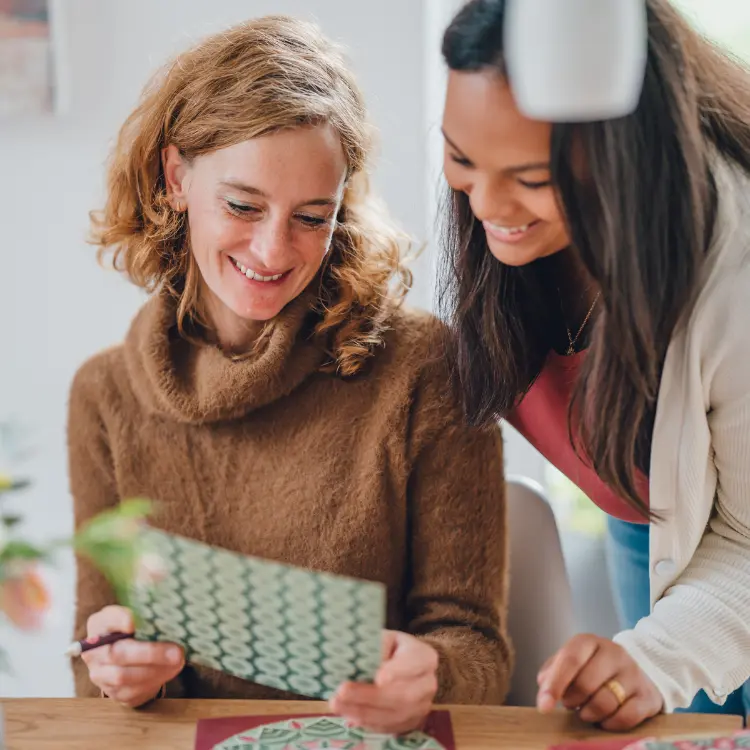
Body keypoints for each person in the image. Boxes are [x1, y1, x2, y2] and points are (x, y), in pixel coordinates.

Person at [68, 15, 512, 734]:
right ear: (175, 176)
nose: (275, 251)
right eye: (243, 205)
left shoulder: (423, 368)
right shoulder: (105, 397)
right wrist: (115, 663)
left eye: (313, 215)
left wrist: (430, 674)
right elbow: (94, 660)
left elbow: (478, 649)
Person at [438, 0, 750, 731]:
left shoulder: (733, 272)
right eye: (460, 158)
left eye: (531, 178)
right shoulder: (503, 218)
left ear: (625, 156)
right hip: (648, 521)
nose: (486, 202)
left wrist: (658, 658)